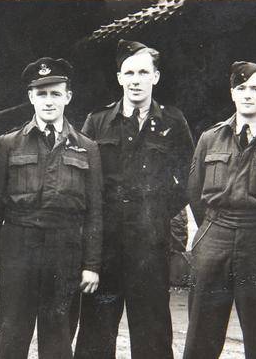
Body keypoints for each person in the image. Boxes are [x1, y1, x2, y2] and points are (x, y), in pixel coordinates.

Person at [72, 39, 194, 359]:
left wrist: (156, 211)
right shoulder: (97, 122)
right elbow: (83, 179)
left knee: (152, 333)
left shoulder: (173, 122)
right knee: (96, 333)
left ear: (155, 77)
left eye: (143, 72)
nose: (135, 79)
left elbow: (189, 179)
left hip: (150, 245)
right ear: (119, 78)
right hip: (106, 246)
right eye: (129, 72)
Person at [0, 57, 102, 359]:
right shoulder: (8, 144)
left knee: (59, 340)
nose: (49, 101)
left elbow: (96, 212)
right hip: (17, 251)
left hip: (65, 252)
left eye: (56, 93)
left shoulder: (87, 148)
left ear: (68, 97)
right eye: (42, 93)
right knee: (11, 337)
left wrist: (91, 265)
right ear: (31, 96)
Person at [184, 61, 256, 359]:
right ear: (232, 94)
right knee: (202, 334)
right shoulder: (210, 138)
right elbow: (195, 191)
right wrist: (210, 231)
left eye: (255, 88)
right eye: (241, 88)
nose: (247, 94)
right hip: (215, 238)